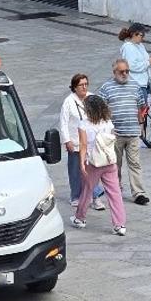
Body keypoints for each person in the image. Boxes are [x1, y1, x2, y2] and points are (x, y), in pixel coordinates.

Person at [70, 95, 127, 236]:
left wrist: (82, 164)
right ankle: (119, 224)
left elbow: (83, 145)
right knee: (115, 193)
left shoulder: (84, 124)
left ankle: (80, 218)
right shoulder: (108, 122)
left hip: (94, 163)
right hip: (109, 161)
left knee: (87, 191)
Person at [98, 58, 149, 206]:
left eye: (127, 71)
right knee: (115, 164)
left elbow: (140, 107)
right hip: (116, 134)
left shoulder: (135, 86)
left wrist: (141, 125)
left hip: (132, 132)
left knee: (135, 163)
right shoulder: (106, 87)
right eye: (122, 71)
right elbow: (101, 109)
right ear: (114, 72)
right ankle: (116, 189)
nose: (125, 74)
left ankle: (138, 193)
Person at [59, 74, 104, 210]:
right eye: (81, 85)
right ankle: (76, 196)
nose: (84, 87)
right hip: (75, 141)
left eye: (86, 84)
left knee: (92, 170)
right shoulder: (68, 102)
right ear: (74, 87)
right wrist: (67, 140)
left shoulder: (92, 98)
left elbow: (99, 117)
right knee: (75, 170)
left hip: (91, 142)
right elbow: (63, 122)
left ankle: (95, 196)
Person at [118, 23, 151, 102]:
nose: (143, 37)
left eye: (144, 35)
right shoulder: (128, 47)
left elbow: (142, 60)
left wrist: (150, 60)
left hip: (144, 83)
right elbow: (132, 66)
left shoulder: (140, 45)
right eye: (141, 35)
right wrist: (148, 63)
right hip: (137, 85)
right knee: (141, 111)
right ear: (133, 34)